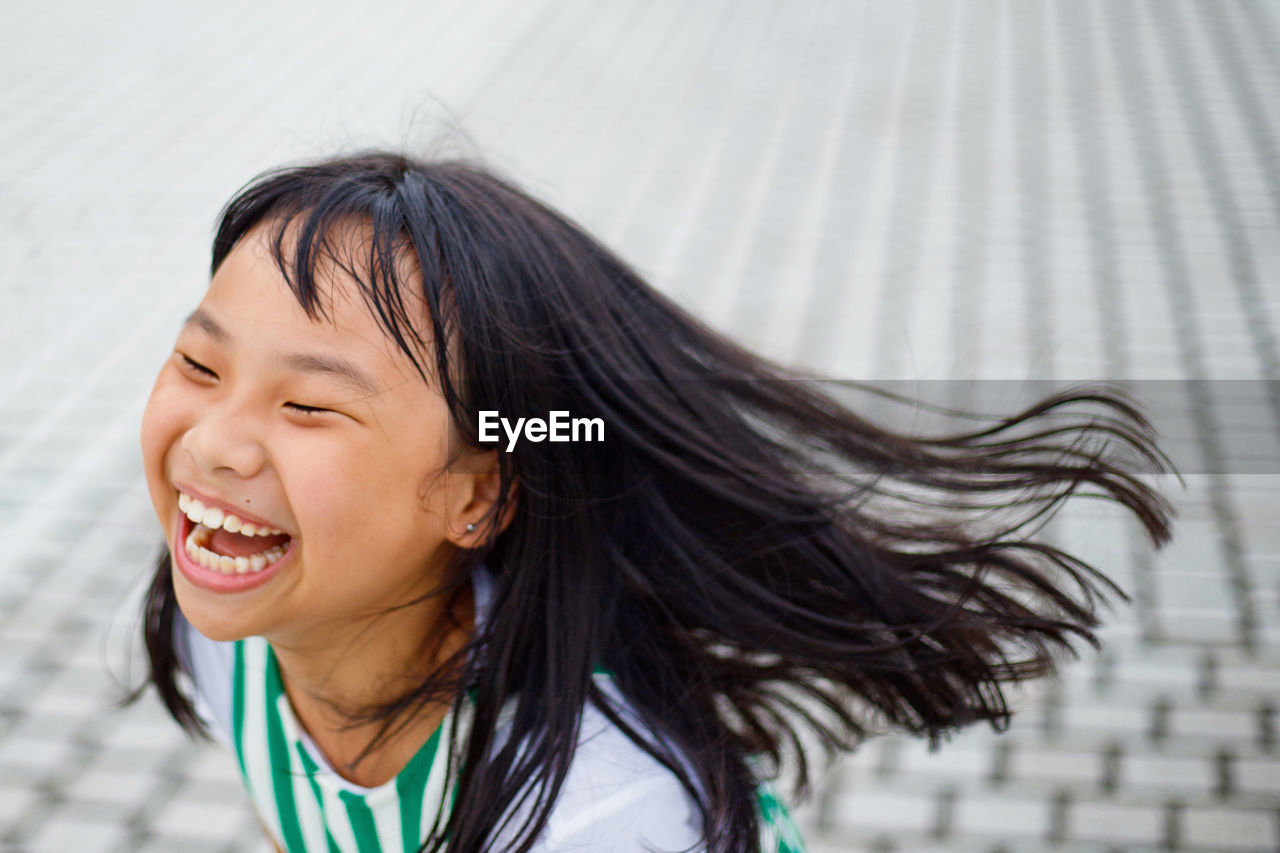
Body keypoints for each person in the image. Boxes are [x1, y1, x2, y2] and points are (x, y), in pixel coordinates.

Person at [132, 151, 1178, 852]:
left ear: (478, 490)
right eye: (199, 363)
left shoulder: (604, 816)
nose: (213, 443)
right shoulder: (228, 623)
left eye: (311, 405)